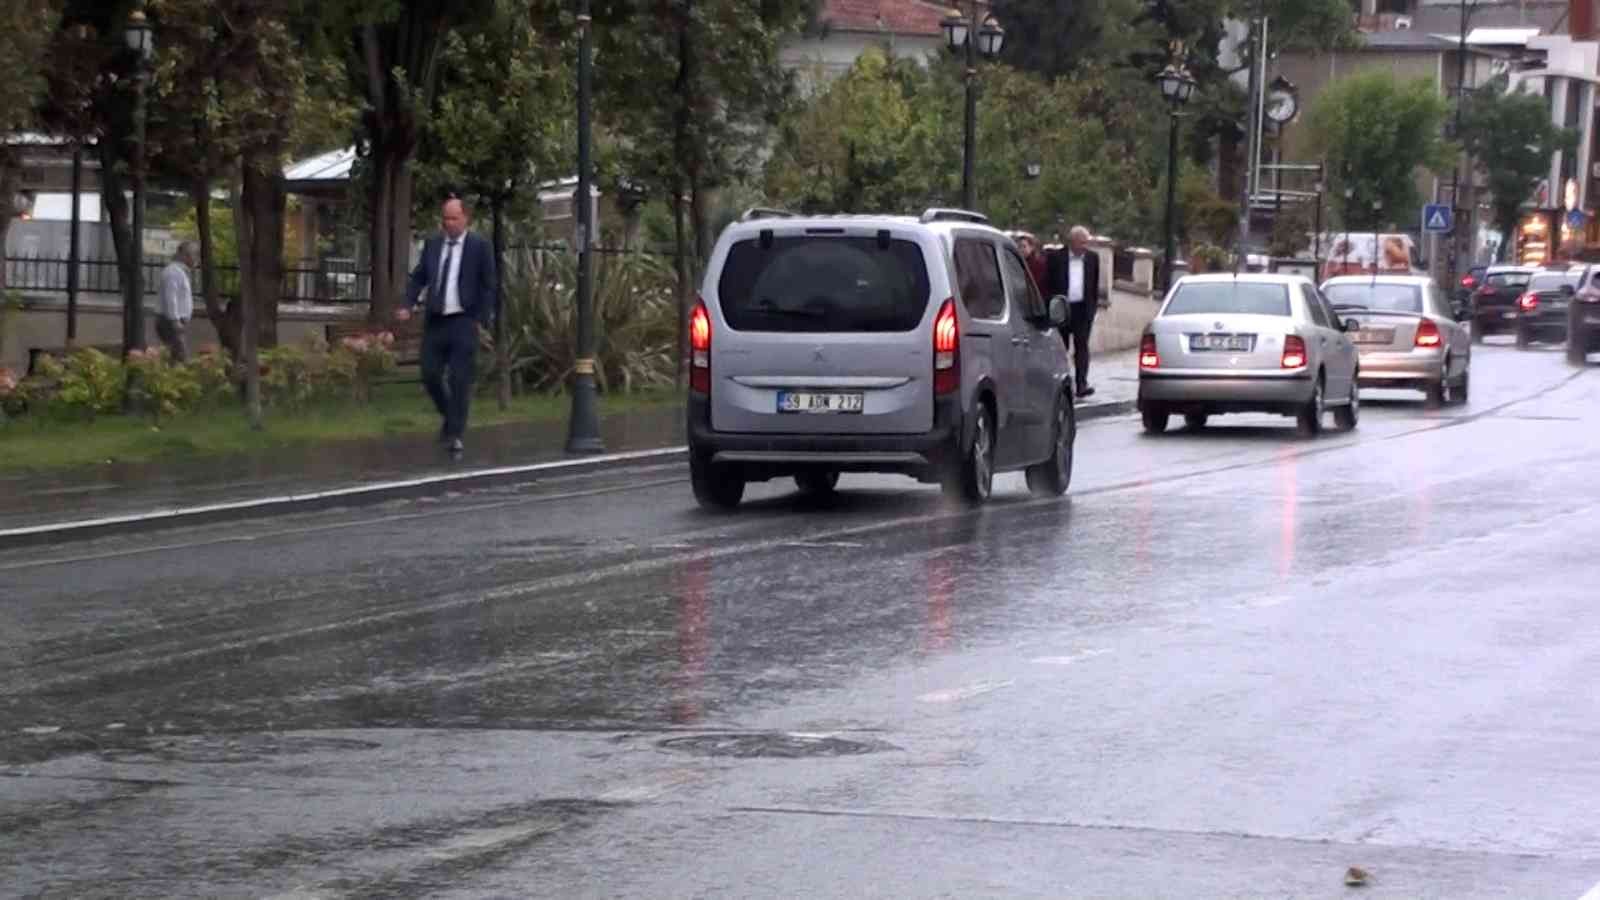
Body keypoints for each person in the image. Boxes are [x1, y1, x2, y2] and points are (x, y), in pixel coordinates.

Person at [397, 197, 497, 454]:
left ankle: (455, 434)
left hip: (464, 320)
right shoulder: (433, 244)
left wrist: (481, 319)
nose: (448, 223)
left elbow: (488, 285)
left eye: (453, 218)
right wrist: (407, 303)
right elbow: (419, 276)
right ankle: (450, 418)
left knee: (459, 378)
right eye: (445, 218)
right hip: (437, 320)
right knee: (429, 374)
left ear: (465, 219)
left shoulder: (479, 246)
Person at [1045, 225, 1101, 398]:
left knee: (1082, 346)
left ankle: (1082, 384)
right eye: (1081, 242)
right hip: (1063, 308)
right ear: (1072, 241)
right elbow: (1049, 283)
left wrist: (1092, 308)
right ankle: (1061, 382)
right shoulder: (1056, 257)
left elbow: (1094, 284)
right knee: (1061, 347)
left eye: (1086, 242)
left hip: (1083, 310)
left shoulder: (1093, 258)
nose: (1084, 246)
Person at [156, 241, 196, 362]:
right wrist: (175, 321)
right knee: (181, 357)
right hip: (170, 322)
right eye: (194, 254)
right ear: (184, 255)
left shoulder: (179, 272)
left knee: (175, 357)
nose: (196, 258)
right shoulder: (173, 272)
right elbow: (170, 298)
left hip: (174, 322)